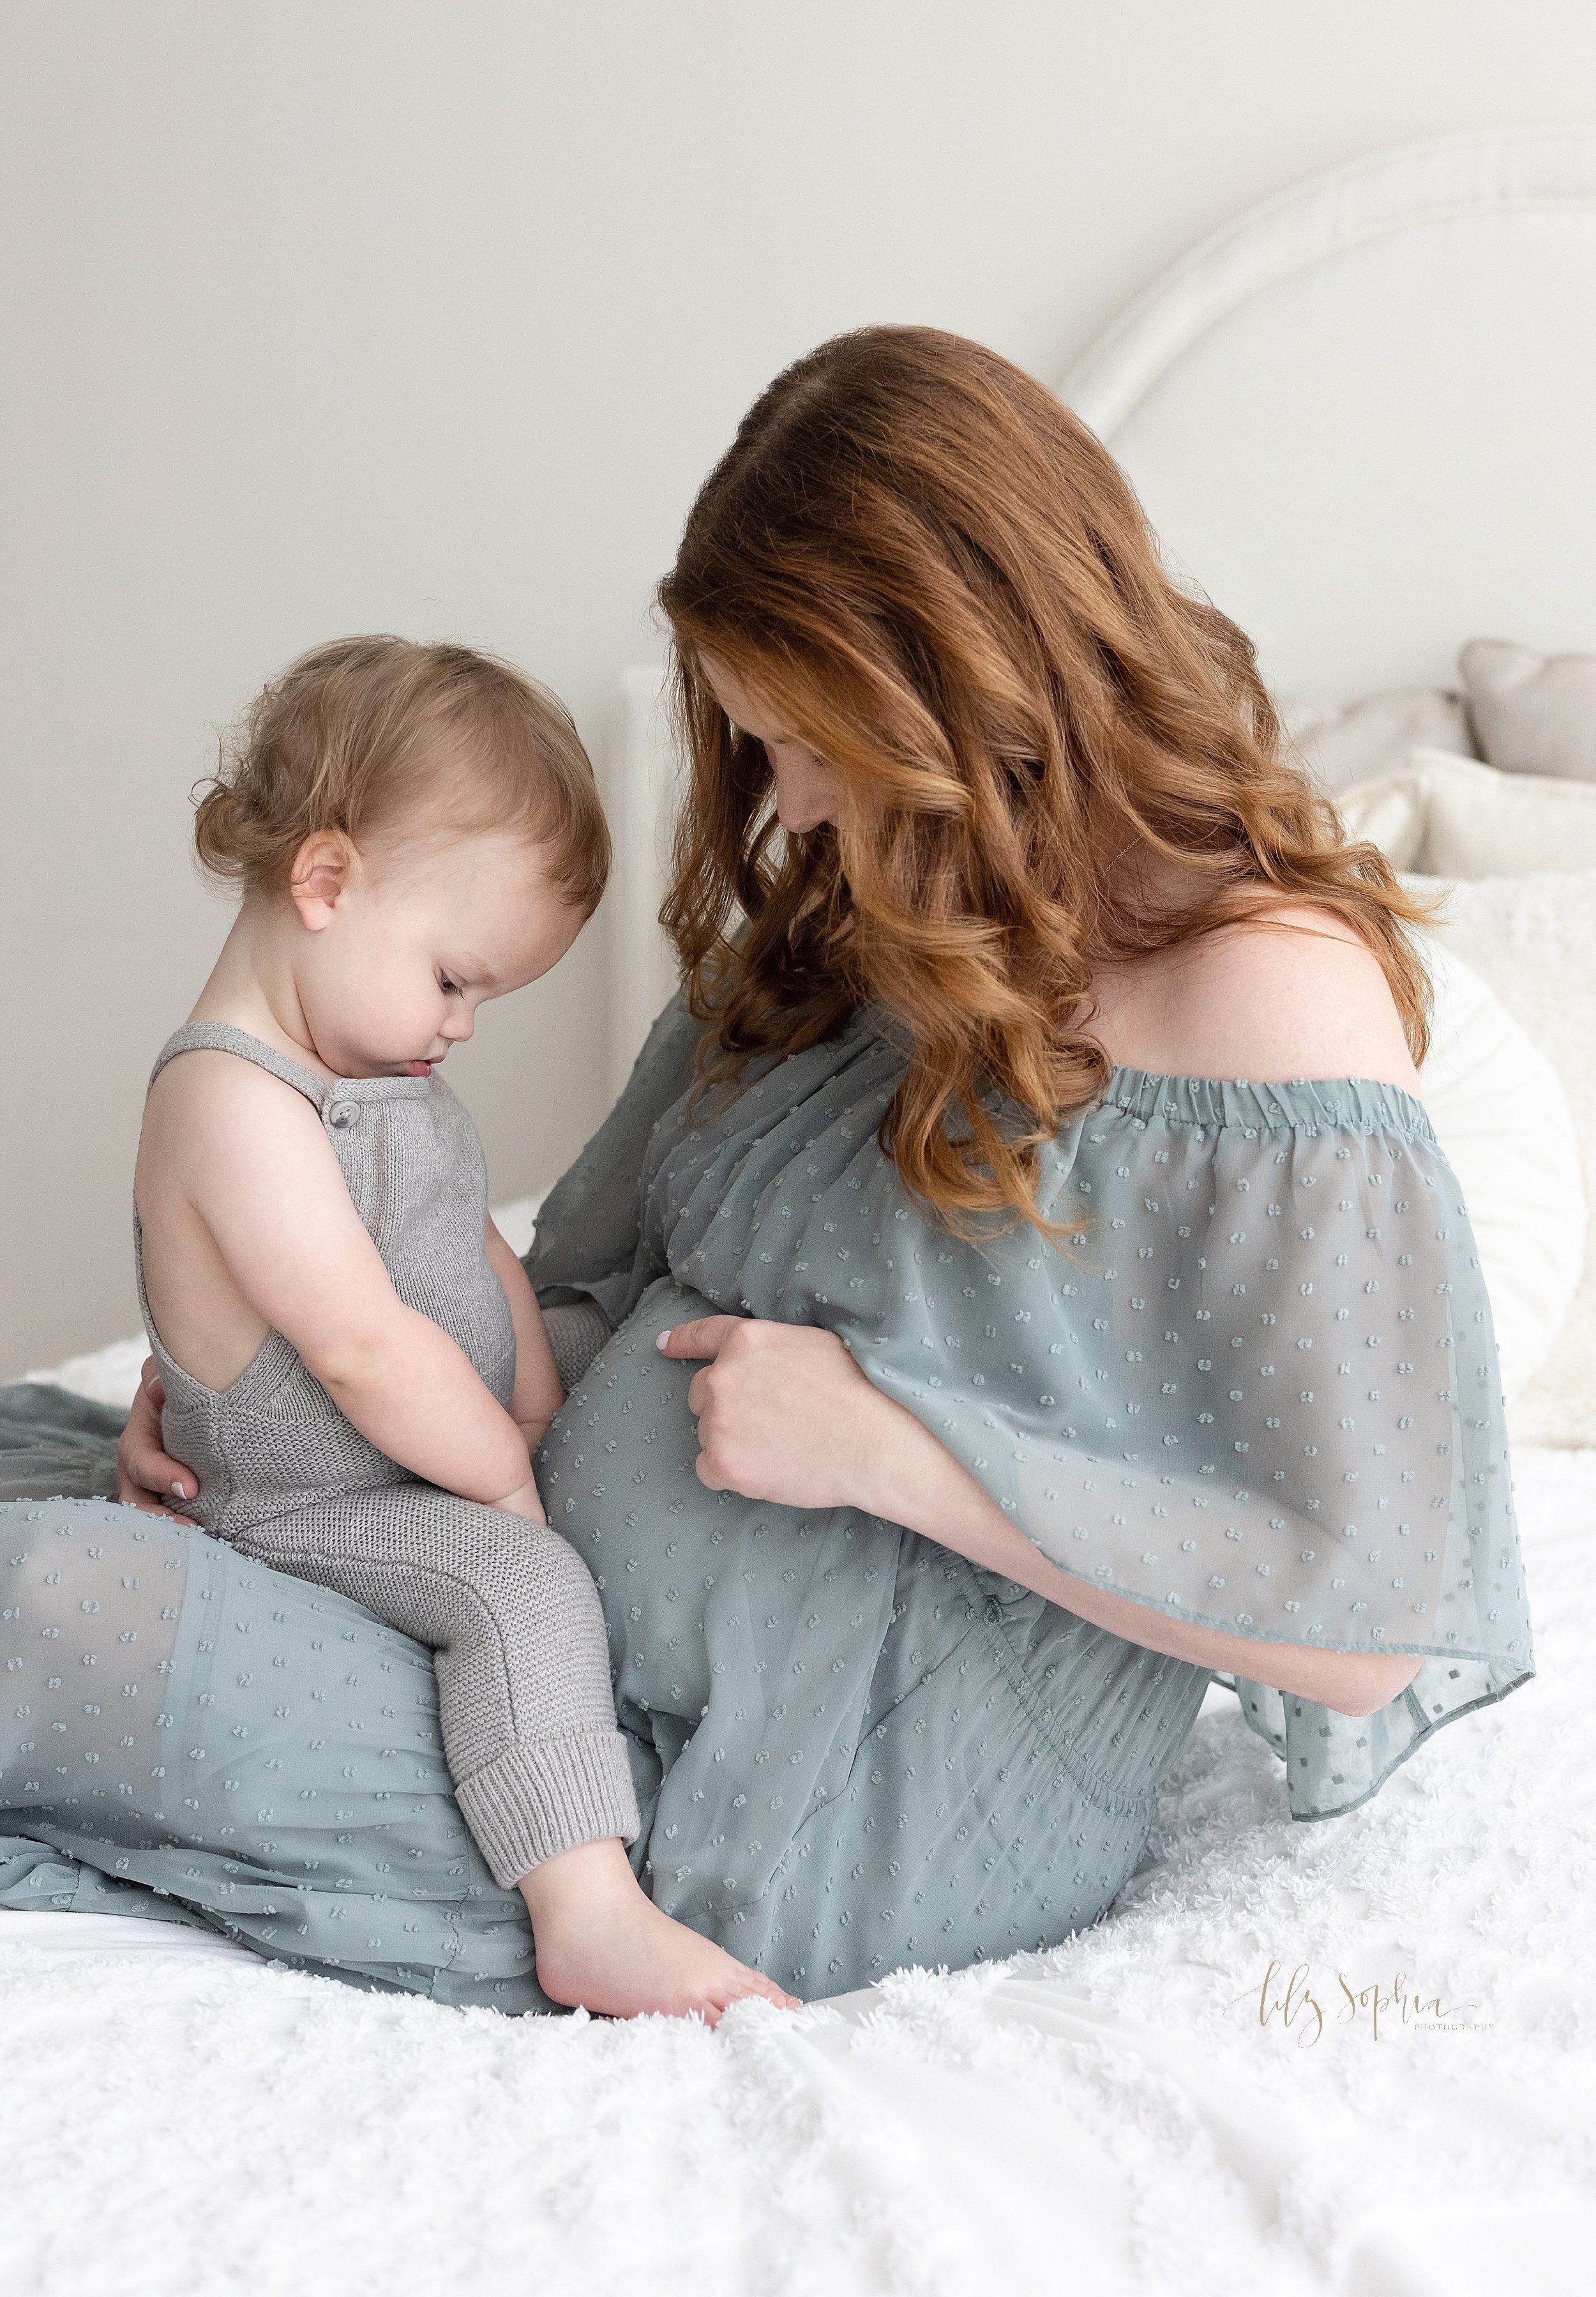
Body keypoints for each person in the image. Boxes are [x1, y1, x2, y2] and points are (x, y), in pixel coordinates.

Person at [0, 328, 1531, 2008]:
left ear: (949, 688)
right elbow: (559, 1281)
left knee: (36, 1598)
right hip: (521, 1641)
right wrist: (249, 1391)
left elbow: (1366, 1614)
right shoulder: (864, 916)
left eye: (807, 745)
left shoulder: (1265, 996)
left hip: (794, 1810)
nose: (786, 811)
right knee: (42, 1481)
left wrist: (897, 1452)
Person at [29, 633, 790, 2021]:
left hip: (400, 1468)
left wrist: (544, 1405)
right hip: (300, 1500)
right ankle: (588, 1910)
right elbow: (361, 1344)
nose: (464, 1023)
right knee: (527, 1590)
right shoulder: (231, 1100)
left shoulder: (369, 1068)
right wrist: (510, 1485)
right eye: (455, 977)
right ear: (325, 881)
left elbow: (468, 1243)